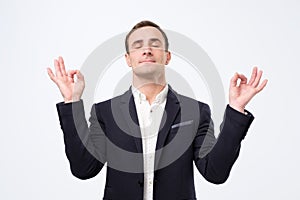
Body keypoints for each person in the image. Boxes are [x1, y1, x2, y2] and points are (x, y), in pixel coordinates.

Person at [47, 20, 267, 200]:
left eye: (155, 44)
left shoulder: (196, 111)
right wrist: (72, 102)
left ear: (167, 57)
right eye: (138, 45)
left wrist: (236, 109)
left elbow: (215, 172)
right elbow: (84, 168)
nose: (147, 50)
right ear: (128, 60)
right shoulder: (105, 112)